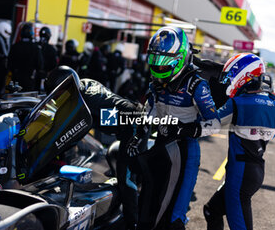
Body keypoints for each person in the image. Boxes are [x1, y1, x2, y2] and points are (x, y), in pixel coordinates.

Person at [126, 26, 220, 230]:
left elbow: (215, 124)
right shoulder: (156, 83)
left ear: (180, 57)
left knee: (174, 216)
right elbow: (149, 113)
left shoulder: (196, 85)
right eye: (155, 62)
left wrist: (188, 130)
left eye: (163, 63)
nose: (158, 69)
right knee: (148, 206)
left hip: (186, 152)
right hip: (161, 146)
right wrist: (138, 135)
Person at [44, 66, 144, 230]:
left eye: (58, 95)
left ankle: (133, 223)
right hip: (122, 125)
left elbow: (71, 134)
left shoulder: (86, 99)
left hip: (134, 124)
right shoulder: (82, 87)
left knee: (125, 177)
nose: (56, 99)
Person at [203, 53, 275, 230]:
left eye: (232, 76)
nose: (228, 81)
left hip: (239, 173)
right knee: (212, 210)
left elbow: (209, 126)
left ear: (244, 76)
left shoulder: (238, 103)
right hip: (256, 171)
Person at [8, 23, 43, 91]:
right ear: (31, 34)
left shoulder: (15, 46)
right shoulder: (36, 48)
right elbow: (40, 65)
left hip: (16, 79)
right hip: (29, 79)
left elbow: (9, 63)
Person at [36, 26, 58, 91]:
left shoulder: (34, 45)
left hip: (32, 76)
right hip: (44, 76)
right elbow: (54, 64)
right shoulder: (52, 49)